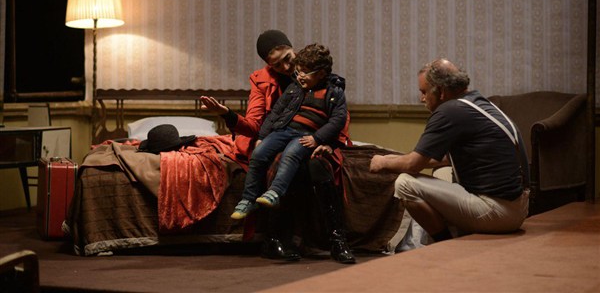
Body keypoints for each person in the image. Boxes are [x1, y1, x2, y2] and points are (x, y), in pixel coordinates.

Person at [200, 30, 355, 264]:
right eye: (277, 64)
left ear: (294, 50)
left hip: (316, 137)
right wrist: (227, 114)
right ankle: (274, 238)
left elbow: (339, 117)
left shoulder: (314, 70)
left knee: (317, 165)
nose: (286, 67)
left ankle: (336, 240)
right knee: (277, 160)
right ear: (269, 65)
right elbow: (255, 124)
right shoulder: (262, 80)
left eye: (288, 58)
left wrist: (329, 144)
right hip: (280, 136)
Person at [369, 58, 530, 243]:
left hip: (499, 212)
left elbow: (414, 164)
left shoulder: (449, 110)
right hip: (519, 206)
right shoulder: (476, 101)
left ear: (441, 91)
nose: (422, 98)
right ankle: (431, 238)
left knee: (405, 183)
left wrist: (383, 162)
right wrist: (394, 159)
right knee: (442, 172)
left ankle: (444, 243)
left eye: (424, 92)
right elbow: (443, 159)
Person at [230, 43, 347, 221]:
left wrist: (317, 138)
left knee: (291, 154)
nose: (299, 76)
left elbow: (338, 120)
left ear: (321, 73)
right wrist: (262, 136)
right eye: (298, 72)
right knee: (258, 153)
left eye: (304, 73)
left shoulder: (334, 92)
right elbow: (276, 112)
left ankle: (275, 192)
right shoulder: (294, 88)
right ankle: (248, 198)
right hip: (284, 129)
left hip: (307, 135)